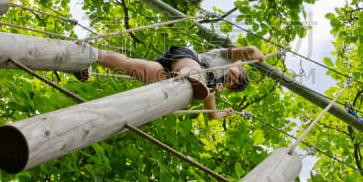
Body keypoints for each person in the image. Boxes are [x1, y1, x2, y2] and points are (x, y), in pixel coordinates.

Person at [94, 45, 265, 119]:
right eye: (237, 76)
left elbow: (212, 113)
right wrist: (260, 57)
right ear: (239, 66)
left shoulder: (211, 88)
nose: (233, 80)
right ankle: (180, 76)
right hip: (187, 60)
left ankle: (91, 55)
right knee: (194, 74)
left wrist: (225, 113)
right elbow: (250, 51)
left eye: (234, 85)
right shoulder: (227, 59)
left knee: (134, 68)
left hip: (168, 70)